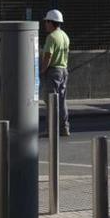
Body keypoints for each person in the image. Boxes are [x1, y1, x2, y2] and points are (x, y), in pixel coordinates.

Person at [40, 8, 70, 137]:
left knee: (51, 102)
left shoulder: (51, 37)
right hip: (63, 70)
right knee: (62, 101)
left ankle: (51, 130)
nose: (45, 24)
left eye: (46, 22)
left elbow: (48, 55)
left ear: (52, 22)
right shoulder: (64, 35)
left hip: (53, 72)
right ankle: (64, 128)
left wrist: (42, 70)